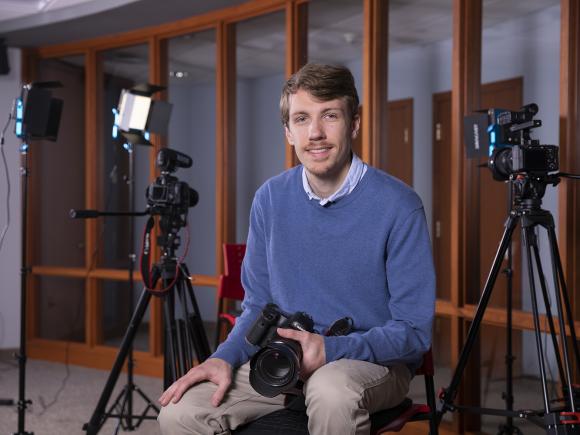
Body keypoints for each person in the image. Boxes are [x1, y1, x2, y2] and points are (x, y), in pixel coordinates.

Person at [158, 63, 435, 435]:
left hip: (371, 365)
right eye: (302, 119)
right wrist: (222, 357)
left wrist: (330, 351)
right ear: (288, 132)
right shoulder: (270, 198)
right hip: (283, 360)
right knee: (179, 412)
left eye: (330, 116)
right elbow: (257, 306)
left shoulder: (399, 205)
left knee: (330, 389)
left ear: (354, 122)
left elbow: (414, 333)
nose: (315, 133)